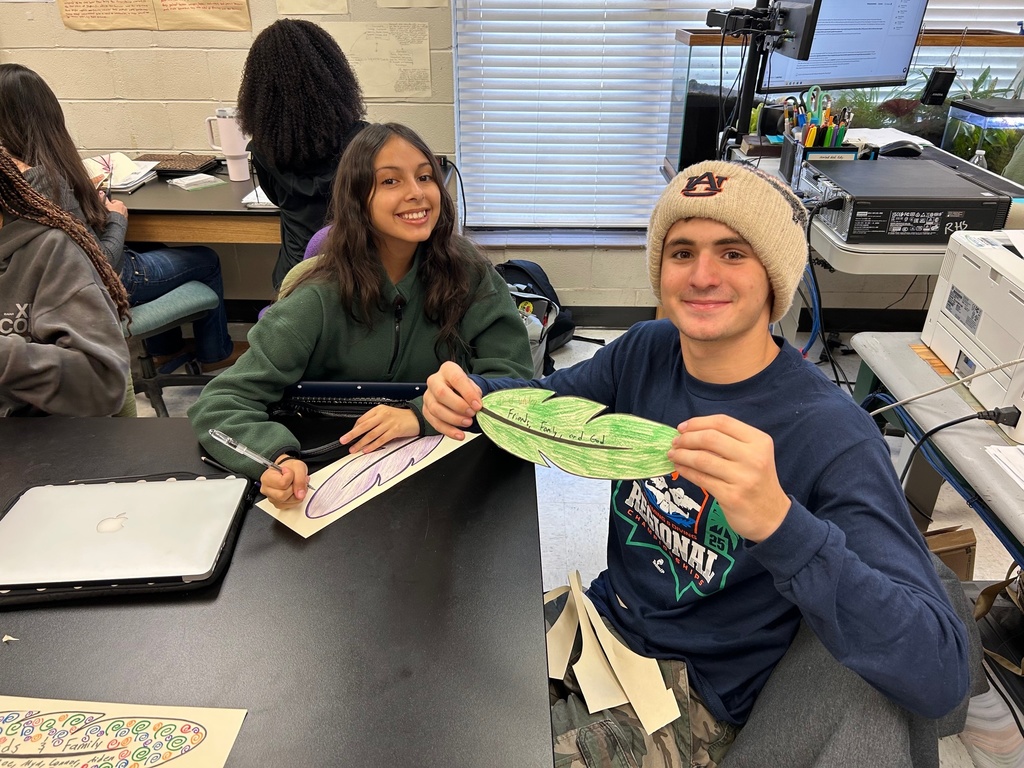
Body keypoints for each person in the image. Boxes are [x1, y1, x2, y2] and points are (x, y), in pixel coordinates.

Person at [421, 161, 971, 766]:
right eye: (682, 252)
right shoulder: (648, 351)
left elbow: (940, 671)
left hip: (691, 695)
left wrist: (781, 524)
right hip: (603, 617)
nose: (703, 275)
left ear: (774, 278)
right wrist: (464, 398)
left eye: (733, 253)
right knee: (433, 693)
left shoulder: (832, 436)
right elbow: (552, 406)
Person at [189, 122, 533, 507]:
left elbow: (513, 381)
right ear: (357, 199)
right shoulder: (319, 295)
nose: (417, 193)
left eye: (425, 176)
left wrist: (420, 415)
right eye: (390, 182)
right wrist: (277, 458)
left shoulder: (469, 272)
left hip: (447, 476)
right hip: (338, 477)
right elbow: (221, 401)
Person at [0, 63, 244, 374]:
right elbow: (100, 266)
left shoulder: (12, 176)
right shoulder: (47, 180)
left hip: (26, 295)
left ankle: (165, 351)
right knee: (206, 260)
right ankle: (215, 353)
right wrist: (116, 218)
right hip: (98, 284)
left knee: (151, 243)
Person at [236, 19, 368, 289]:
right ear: (336, 78)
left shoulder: (263, 151)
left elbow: (275, 198)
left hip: (295, 278)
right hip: (357, 275)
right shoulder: (366, 143)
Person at [0, 145, 130, 417]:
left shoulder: (50, 246)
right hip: (109, 276)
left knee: (203, 262)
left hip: (42, 444)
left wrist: (117, 221)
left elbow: (103, 261)